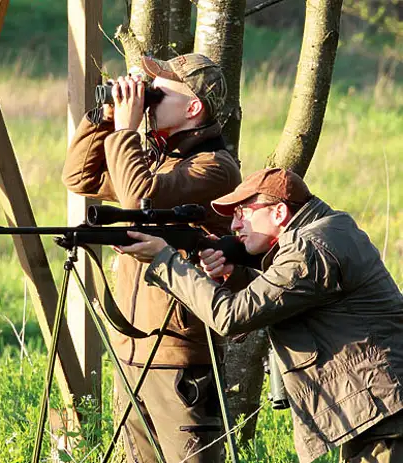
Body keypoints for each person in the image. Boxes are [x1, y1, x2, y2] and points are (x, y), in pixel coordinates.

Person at [118, 167, 403, 463]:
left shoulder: (308, 249)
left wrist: (166, 261)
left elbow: (231, 317)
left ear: (279, 213)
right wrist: (235, 275)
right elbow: (291, 299)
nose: (234, 225)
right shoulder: (329, 229)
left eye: (243, 212)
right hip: (381, 404)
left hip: (385, 411)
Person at [62, 53, 242, 462]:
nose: (147, 98)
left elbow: (138, 199)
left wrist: (126, 129)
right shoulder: (159, 159)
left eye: (158, 92)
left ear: (194, 108)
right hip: (133, 347)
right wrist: (104, 118)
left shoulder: (215, 168)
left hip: (179, 355)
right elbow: (79, 178)